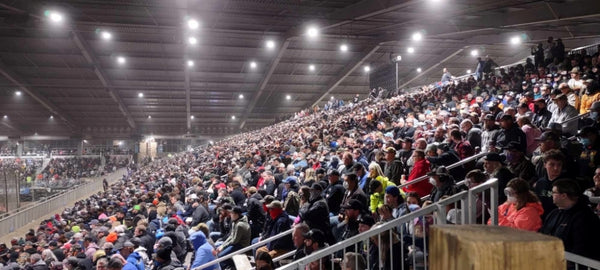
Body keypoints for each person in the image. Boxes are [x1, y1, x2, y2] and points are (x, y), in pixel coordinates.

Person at [540, 178, 600, 260]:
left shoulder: (584, 218)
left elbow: (581, 249)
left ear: (564, 196)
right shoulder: (554, 213)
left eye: (554, 192)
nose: (551, 195)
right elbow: (542, 234)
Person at [534, 149, 566, 220]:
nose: (556, 168)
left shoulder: (566, 184)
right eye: (552, 164)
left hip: (558, 220)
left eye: (559, 165)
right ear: (545, 165)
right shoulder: (540, 183)